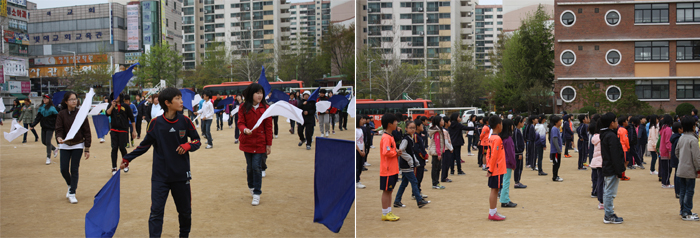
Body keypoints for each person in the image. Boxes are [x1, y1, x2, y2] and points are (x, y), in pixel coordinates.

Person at [120, 87, 201, 237]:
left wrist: (188, 145)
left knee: (185, 212)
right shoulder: (156, 123)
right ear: (167, 103)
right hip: (160, 176)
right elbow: (144, 145)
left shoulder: (185, 121)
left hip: (181, 175)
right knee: (156, 213)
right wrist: (127, 158)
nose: (181, 101)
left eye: (180, 98)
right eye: (177, 98)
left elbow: (197, 141)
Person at [237, 83, 273, 206]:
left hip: (260, 142)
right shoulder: (243, 107)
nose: (260, 95)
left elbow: (269, 127)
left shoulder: (266, 109)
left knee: (256, 167)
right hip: (247, 141)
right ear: (251, 94)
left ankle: (257, 193)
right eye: (257, 93)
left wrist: (269, 144)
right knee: (250, 166)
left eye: (261, 93)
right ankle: (251, 186)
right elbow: (240, 123)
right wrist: (245, 129)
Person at [55, 91, 92, 204]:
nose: (74, 101)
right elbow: (59, 129)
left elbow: (87, 132)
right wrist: (59, 137)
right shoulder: (61, 114)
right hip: (65, 145)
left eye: (75, 99)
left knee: (74, 169)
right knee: (63, 169)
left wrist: (87, 148)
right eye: (71, 99)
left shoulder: (81, 114)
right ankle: (70, 184)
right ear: (66, 101)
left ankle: (72, 193)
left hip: (77, 144)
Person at [393, 120, 431, 208]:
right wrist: (410, 160)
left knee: (404, 183)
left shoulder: (410, 138)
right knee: (414, 181)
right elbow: (401, 151)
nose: (412, 129)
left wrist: (415, 161)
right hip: (406, 165)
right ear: (406, 129)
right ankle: (419, 201)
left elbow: (411, 152)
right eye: (410, 128)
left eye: (413, 128)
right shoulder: (406, 139)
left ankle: (397, 201)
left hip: (408, 164)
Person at [600, 112, 625, 224]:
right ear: (611, 123)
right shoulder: (611, 136)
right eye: (615, 121)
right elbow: (615, 155)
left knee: (608, 191)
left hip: (608, 166)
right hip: (611, 168)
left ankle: (609, 213)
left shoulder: (605, 134)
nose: (617, 123)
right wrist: (619, 170)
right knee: (609, 192)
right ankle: (608, 214)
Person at [674, 116, 700, 221]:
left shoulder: (681, 138)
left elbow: (676, 152)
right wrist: (698, 169)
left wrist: (683, 160)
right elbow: (696, 157)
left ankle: (683, 210)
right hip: (690, 169)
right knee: (689, 190)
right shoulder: (693, 140)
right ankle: (687, 212)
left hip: (681, 167)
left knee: (683, 190)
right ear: (693, 127)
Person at [106, 92, 137, 175]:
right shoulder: (110, 105)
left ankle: (125, 164)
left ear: (120, 96)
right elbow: (107, 113)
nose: (116, 97)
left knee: (122, 148)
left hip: (123, 130)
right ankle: (114, 167)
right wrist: (112, 106)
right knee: (114, 148)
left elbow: (132, 118)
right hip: (114, 130)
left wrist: (134, 130)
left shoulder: (126, 106)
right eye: (114, 96)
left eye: (117, 96)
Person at [379, 113, 400, 221]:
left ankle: (388, 211)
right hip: (387, 170)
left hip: (392, 169)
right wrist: (395, 153)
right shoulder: (386, 137)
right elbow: (386, 152)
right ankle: (385, 213)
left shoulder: (390, 136)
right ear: (389, 124)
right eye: (395, 121)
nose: (397, 123)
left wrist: (396, 151)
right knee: (386, 191)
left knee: (390, 191)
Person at [486, 116, 506, 221]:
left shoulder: (492, 138)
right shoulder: (497, 139)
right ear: (498, 125)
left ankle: (493, 211)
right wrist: (490, 169)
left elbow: (489, 154)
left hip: (494, 168)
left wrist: (489, 166)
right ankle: (492, 213)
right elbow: (493, 155)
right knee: (495, 190)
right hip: (496, 169)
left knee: (495, 189)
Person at [30, 94, 59, 164]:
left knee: (48, 141)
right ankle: (54, 148)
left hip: (50, 127)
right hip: (44, 127)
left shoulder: (52, 108)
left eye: (46, 98)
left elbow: (57, 118)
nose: (44, 99)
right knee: (44, 141)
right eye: (44, 98)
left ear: (50, 100)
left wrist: (57, 126)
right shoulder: (41, 108)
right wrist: (33, 125)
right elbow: (38, 118)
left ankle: (48, 157)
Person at [498, 118, 518, 208]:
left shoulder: (501, 138)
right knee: (506, 181)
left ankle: (504, 198)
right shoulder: (508, 139)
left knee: (504, 181)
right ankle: (504, 200)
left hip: (502, 162)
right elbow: (510, 153)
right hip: (507, 163)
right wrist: (513, 164)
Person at [589, 118, 604, 210]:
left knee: (595, 178)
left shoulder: (593, 138)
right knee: (601, 180)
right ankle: (599, 195)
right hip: (601, 161)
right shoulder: (603, 138)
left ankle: (594, 191)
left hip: (594, 161)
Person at [428, 116, 446, 189]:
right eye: (442, 120)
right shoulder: (437, 132)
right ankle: (435, 183)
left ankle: (436, 182)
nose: (443, 121)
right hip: (436, 153)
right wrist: (439, 153)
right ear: (439, 122)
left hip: (438, 152)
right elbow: (437, 143)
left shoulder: (440, 130)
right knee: (435, 168)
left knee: (438, 168)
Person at [413, 118, 429, 199]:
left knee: (420, 176)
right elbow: (417, 149)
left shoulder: (419, 135)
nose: (423, 126)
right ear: (418, 126)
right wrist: (423, 155)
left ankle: (418, 191)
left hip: (421, 160)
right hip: (418, 160)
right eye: (421, 125)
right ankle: (415, 193)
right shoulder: (415, 136)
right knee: (417, 177)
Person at [659, 115, 674, 187]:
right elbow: (668, 141)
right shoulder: (668, 129)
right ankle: (666, 183)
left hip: (662, 150)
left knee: (664, 168)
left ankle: (664, 182)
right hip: (666, 151)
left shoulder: (663, 128)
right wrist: (670, 151)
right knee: (668, 168)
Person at [512, 116, 527, 188]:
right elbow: (516, 144)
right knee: (518, 168)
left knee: (520, 168)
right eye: (523, 122)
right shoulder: (516, 131)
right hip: (518, 153)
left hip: (519, 153)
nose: (523, 123)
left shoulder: (518, 130)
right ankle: (516, 182)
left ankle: (518, 181)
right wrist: (519, 152)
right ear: (519, 123)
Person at [440, 117, 454, 183]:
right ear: (446, 123)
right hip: (446, 149)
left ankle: (445, 177)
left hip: (447, 149)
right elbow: (446, 141)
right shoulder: (444, 131)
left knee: (447, 164)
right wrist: (451, 148)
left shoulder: (446, 130)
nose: (450, 123)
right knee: (445, 164)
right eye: (449, 121)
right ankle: (444, 177)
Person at [549, 115, 564, 182]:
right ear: (556, 122)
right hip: (555, 151)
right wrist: (558, 149)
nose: (561, 122)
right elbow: (555, 140)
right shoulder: (554, 129)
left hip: (556, 150)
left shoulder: (556, 129)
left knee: (558, 163)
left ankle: (556, 175)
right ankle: (555, 177)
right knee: (556, 164)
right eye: (560, 121)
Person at [670, 121, 682, 196]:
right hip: (677, 158)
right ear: (679, 129)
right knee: (678, 175)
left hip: (674, 158)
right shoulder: (678, 138)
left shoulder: (674, 137)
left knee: (676, 174)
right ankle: (678, 192)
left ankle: (677, 191)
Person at [356, 115, 367, 189]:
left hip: (361, 150)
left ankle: (358, 179)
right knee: (357, 166)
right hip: (357, 150)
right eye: (361, 119)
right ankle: (356, 181)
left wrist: (363, 150)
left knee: (360, 165)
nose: (363, 121)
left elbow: (362, 141)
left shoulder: (361, 129)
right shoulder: (356, 130)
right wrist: (359, 151)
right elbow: (355, 142)